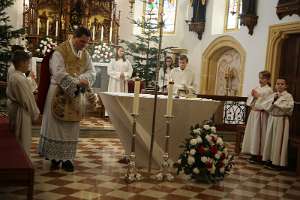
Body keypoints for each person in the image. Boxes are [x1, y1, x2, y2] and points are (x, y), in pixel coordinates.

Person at [38, 27, 96, 172]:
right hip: (58, 93)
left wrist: (83, 80)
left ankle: (68, 159)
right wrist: (76, 83)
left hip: (75, 96)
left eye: (87, 43)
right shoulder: (60, 51)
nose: (84, 45)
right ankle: (55, 158)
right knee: (56, 126)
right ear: (74, 37)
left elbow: (92, 71)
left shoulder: (85, 54)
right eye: (82, 41)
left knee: (72, 128)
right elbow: (58, 72)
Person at [6, 50, 40, 156]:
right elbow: (27, 100)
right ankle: (22, 162)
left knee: (18, 138)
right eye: (28, 63)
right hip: (21, 112)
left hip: (15, 109)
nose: (28, 66)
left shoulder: (15, 76)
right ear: (22, 63)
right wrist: (36, 113)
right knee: (22, 139)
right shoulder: (20, 78)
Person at [241, 70, 273, 163]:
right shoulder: (257, 87)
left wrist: (259, 96)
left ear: (267, 79)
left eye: (263, 78)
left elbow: (268, 103)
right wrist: (253, 96)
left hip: (261, 114)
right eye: (260, 77)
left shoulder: (269, 90)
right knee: (253, 133)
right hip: (253, 113)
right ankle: (252, 152)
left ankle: (259, 154)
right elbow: (250, 99)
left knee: (259, 134)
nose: (260, 80)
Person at [262, 78, 294, 169]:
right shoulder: (273, 95)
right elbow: (266, 106)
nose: (279, 86)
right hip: (272, 118)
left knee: (279, 141)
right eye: (277, 84)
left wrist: (277, 103)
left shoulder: (288, 96)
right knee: (270, 139)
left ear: (286, 86)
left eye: (282, 84)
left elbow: (289, 108)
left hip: (281, 120)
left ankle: (278, 162)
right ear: (275, 85)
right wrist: (273, 102)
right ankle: (269, 159)